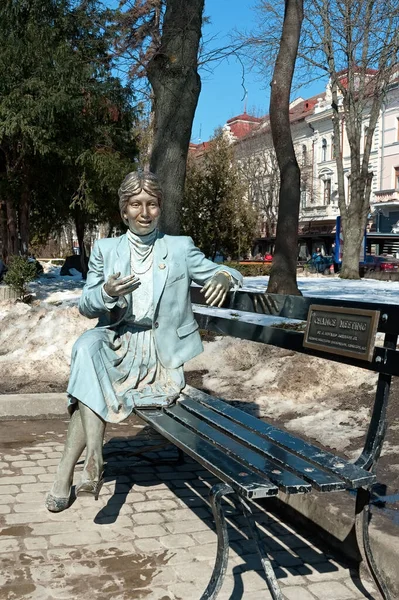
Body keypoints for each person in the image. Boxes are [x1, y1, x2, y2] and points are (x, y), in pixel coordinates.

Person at [45, 170, 243, 512]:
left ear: (159, 208)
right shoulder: (106, 250)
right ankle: (93, 455)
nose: (144, 211)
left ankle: (69, 472)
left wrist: (225, 276)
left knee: (85, 387)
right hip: (118, 343)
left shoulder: (179, 247)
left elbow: (223, 272)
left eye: (151, 204)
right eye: (136, 204)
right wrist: (106, 292)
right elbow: (85, 304)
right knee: (86, 346)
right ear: (124, 211)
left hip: (157, 353)